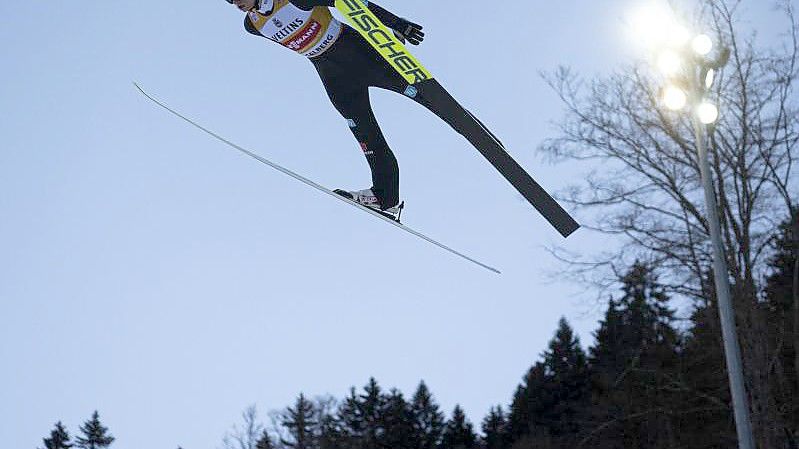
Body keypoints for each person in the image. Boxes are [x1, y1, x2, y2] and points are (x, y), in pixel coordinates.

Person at [226, 0, 426, 220]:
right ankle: (385, 198)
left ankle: (466, 122)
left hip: (360, 56)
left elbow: (350, 3)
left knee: (426, 96)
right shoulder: (252, 25)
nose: (235, 3)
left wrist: (395, 23)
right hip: (333, 76)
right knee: (367, 136)